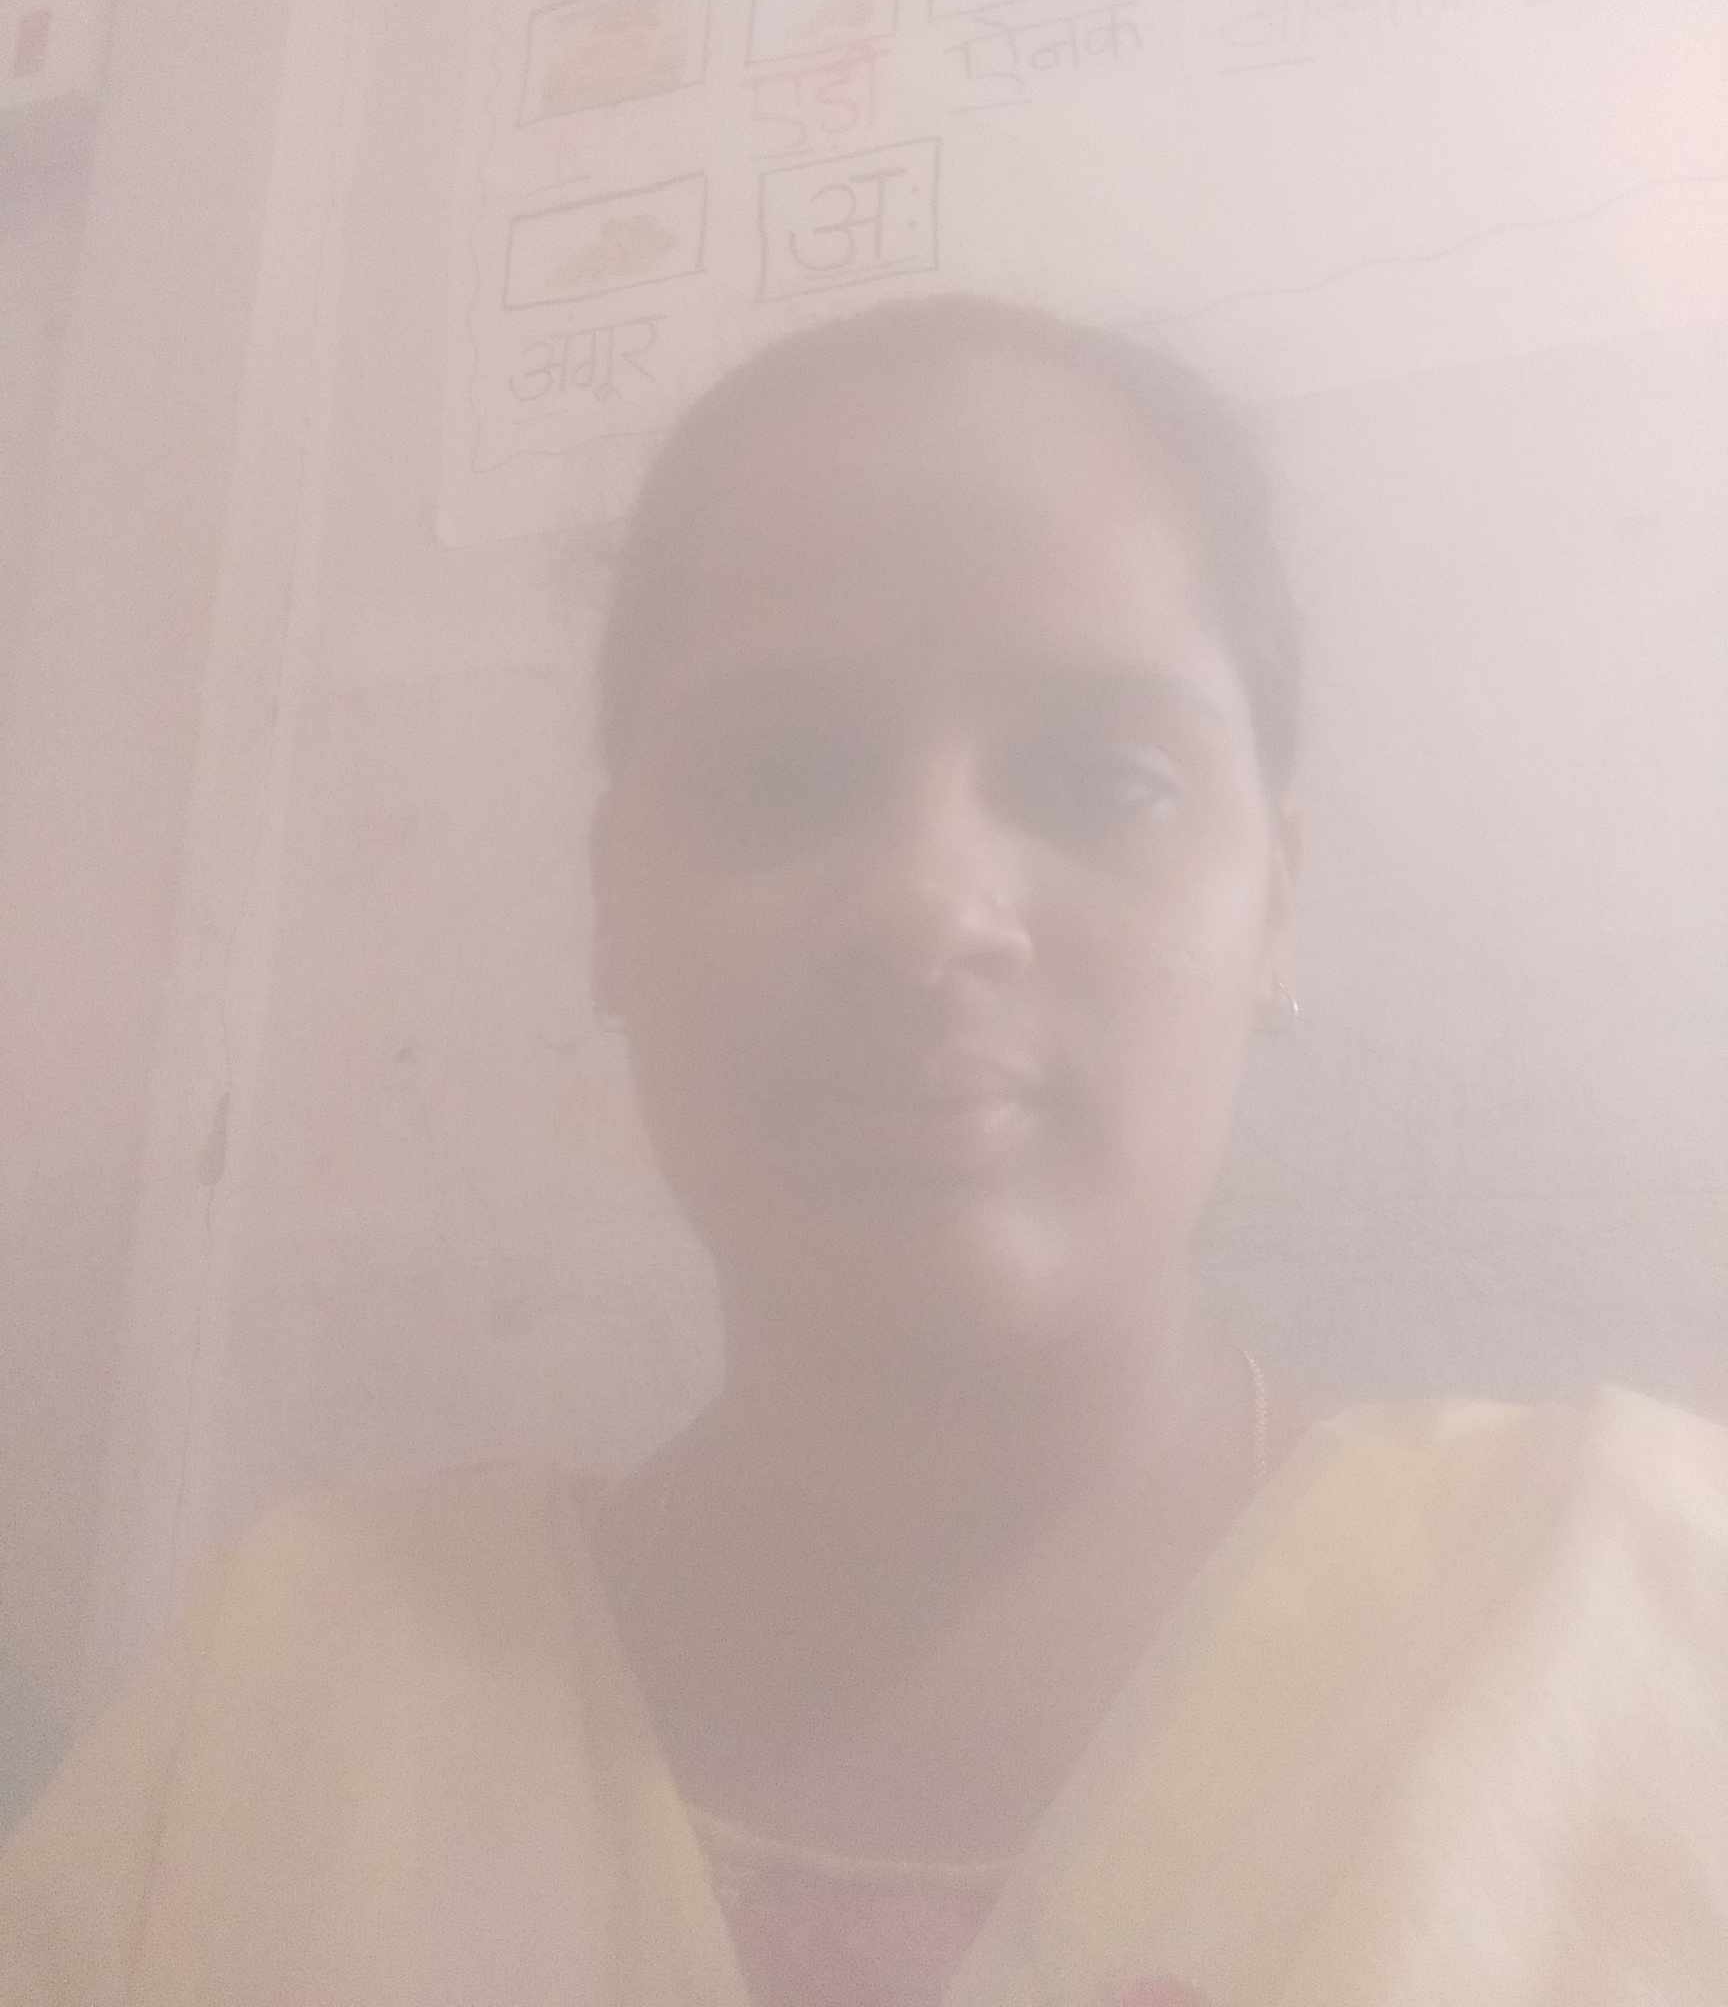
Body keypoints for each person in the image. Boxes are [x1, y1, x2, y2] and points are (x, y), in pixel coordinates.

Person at [3, 295, 1725, 2006]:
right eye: (780, 776)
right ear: (611, 903)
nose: (929, 907)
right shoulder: (281, 1718)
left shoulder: (1641, 1614)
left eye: (1100, 781)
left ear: (1273, 902)